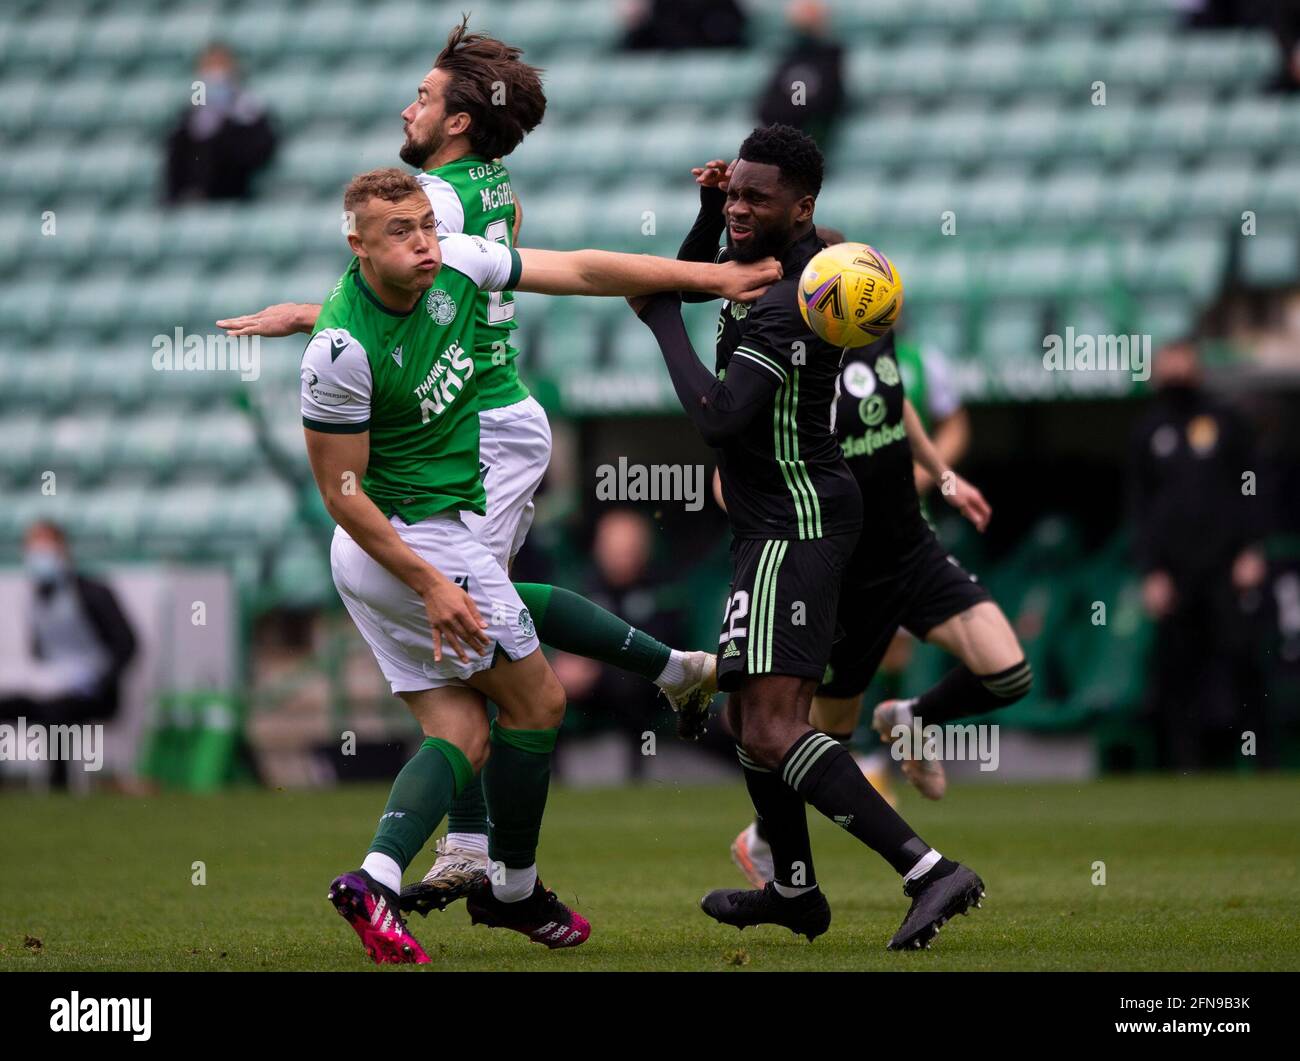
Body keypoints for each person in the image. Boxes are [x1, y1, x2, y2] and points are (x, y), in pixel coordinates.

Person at [217, 19, 721, 916]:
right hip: (497, 414)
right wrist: (320, 312)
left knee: (473, 631)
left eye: (422, 94)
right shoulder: (486, 185)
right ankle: (672, 674)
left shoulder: (433, 205)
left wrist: (330, 311)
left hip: (472, 425)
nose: (407, 106)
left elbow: (409, 266)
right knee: (483, 617)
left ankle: (477, 851)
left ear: (457, 122)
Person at [299, 166, 777, 962]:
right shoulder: (340, 348)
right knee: (539, 701)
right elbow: (342, 494)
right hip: (405, 540)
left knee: (460, 727)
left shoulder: (454, 262)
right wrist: (432, 584)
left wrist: (711, 275)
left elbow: (585, 268)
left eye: (425, 225)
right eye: (398, 232)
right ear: (356, 243)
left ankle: (376, 881)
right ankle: (513, 889)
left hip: (398, 551)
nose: (422, 243)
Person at [629, 124, 985, 951]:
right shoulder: (776, 267)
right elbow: (695, 276)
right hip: (779, 518)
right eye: (735, 193)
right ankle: (793, 886)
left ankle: (929, 869)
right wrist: (707, 209)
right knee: (751, 717)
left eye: (757, 197)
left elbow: (721, 418)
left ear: (805, 206)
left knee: (775, 725)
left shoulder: (794, 302)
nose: (740, 210)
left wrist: (659, 327)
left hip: (799, 520)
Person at [1128, 339, 1268, 769]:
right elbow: (1138, 507)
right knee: (1177, 670)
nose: (1174, 370)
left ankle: (1261, 760)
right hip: (1174, 573)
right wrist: (1151, 571)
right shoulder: (1148, 433)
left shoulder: (1227, 422)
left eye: (1181, 360)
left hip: (1227, 567)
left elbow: (1252, 486)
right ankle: (1184, 764)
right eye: (1166, 362)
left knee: (1240, 661)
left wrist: (1251, 547)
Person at [0, 522, 137, 789]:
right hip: (52, 685)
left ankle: (58, 784)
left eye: (45, 549)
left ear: (63, 550)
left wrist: (100, 682)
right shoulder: (34, 597)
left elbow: (127, 644)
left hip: (93, 691)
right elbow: (42, 652)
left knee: (56, 713)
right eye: (33, 550)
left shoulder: (93, 593)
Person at [164, 43, 277, 204]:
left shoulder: (250, 112)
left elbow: (259, 154)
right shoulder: (189, 119)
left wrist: (227, 126)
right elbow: (175, 165)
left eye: (220, 66)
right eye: (209, 67)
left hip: (238, 200)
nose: (215, 75)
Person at [755, 0, 846, 150]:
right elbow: (767, 108)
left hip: (813, 140)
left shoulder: (831, 57)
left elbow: (826, 102)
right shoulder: (788, 55)